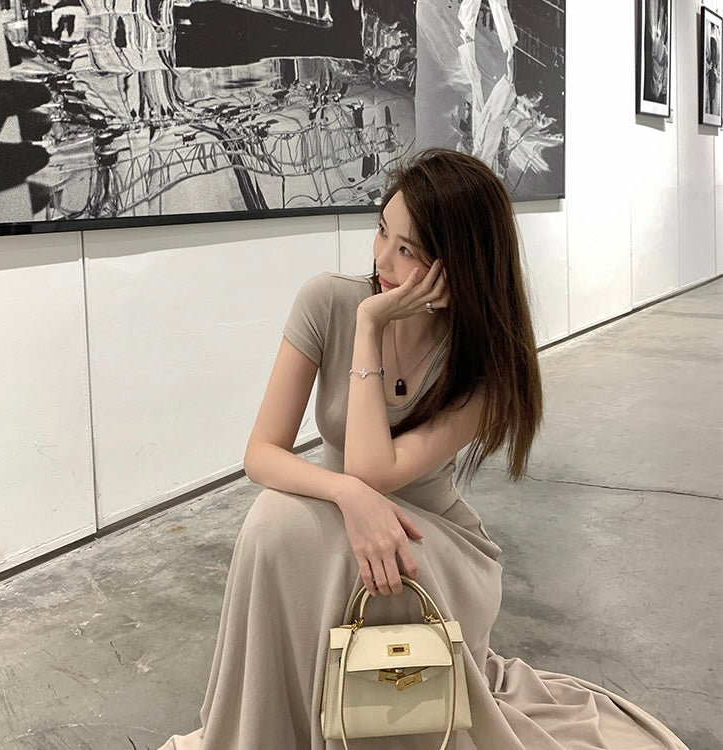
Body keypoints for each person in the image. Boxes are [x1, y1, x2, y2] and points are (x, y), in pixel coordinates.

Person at [159, 149, 688, 749]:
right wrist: (347, 497)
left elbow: (372, 469)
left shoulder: (482, 366)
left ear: (454, 265)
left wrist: (370, 328)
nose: (382, 258)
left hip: (434, 542)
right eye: (382, 230)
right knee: (274, 521)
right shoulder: (325, 301)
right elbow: (262, 454)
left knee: (300, 532)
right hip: (343, 517)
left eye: (407, 249)